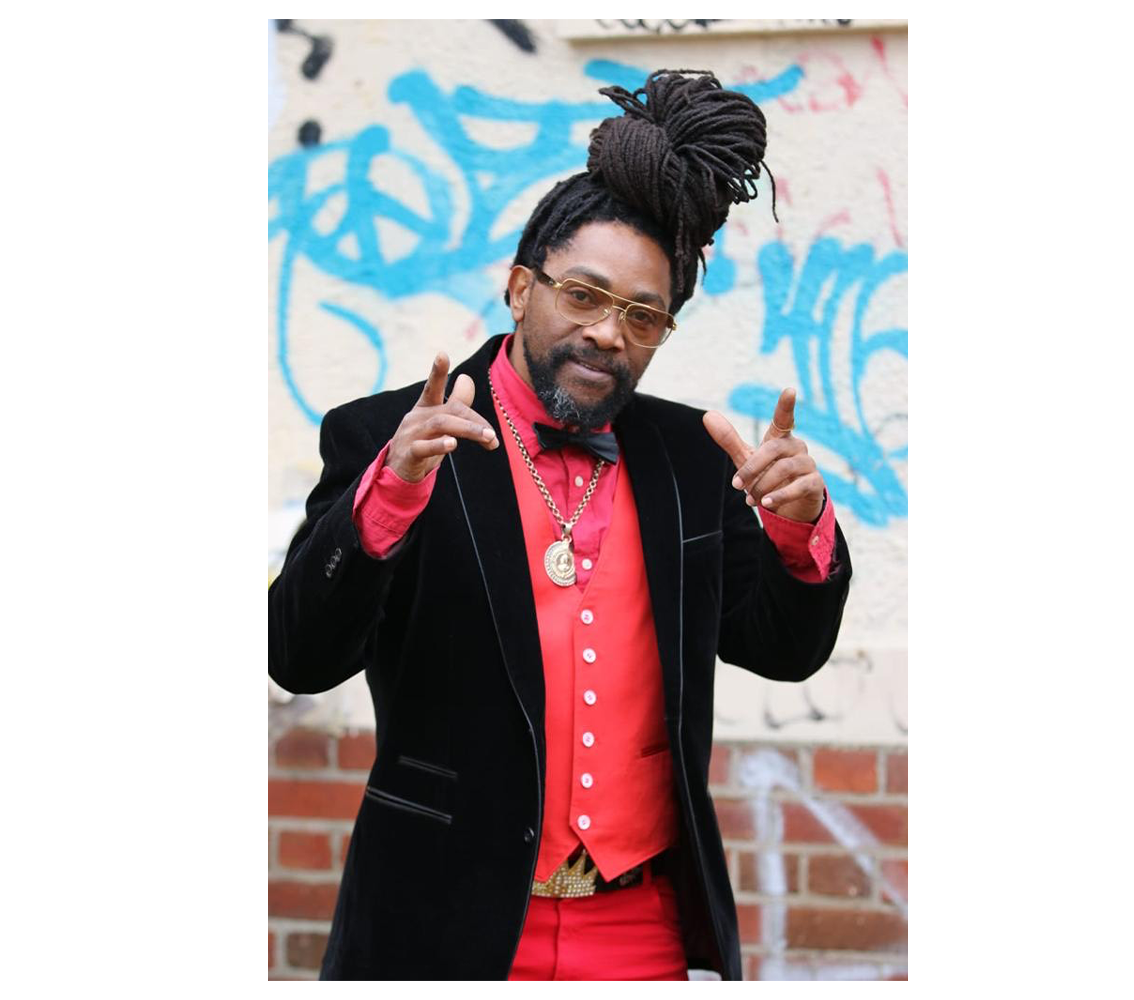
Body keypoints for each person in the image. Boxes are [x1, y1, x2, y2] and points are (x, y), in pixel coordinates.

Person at [268, 69, 852, 981]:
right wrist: (389, 496)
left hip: (640, 928)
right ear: (519, 289)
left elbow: (784, 651)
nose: (609, 333)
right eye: (582, 295)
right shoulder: (391, 437)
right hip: (441, 931)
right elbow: (297, 655)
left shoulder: (693, 456)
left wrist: (801, 528)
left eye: (643, 315)